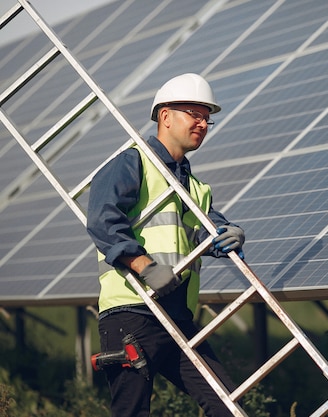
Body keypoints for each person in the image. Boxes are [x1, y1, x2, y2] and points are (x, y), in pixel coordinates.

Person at [86, 73, 245, 417]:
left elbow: (208, 229)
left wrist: (228, 234)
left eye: (207, 117)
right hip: (132, 310)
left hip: (177, 317)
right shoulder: (133, 162)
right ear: (165, 116)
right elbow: (102, 218)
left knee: (230, 404)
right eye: (194, 113)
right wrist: (145, 267)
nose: (202, 123)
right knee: (131, 412)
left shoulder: (197, 187)